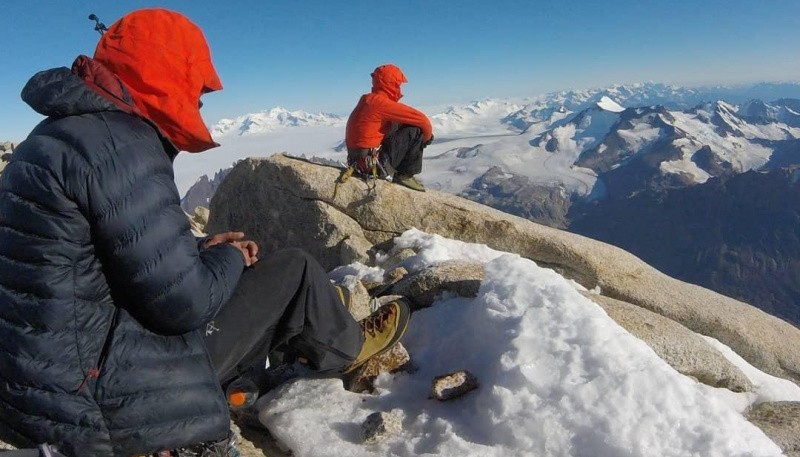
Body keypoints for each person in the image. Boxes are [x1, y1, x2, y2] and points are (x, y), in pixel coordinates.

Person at [0, 9, 409, 457]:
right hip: (102, 400)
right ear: (165, 73)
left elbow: (91, 258)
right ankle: (347, 347)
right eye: (195, 86)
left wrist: (196, 247)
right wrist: (229, 258)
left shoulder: (62, 134)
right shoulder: (119, 145)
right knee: (294, 269)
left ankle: (247, 382)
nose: (199, 100)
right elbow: (185, 304)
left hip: (41, 389)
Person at [345, 64, 434, 192]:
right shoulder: (380, 103)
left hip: (358, 163)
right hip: (373, 165)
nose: (399, 88)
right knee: (415, 130)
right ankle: (405, 174)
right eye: (398, 85)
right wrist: (426, 139)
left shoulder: (367, 100)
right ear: (390, 84)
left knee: (397, 123)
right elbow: (423, 121)